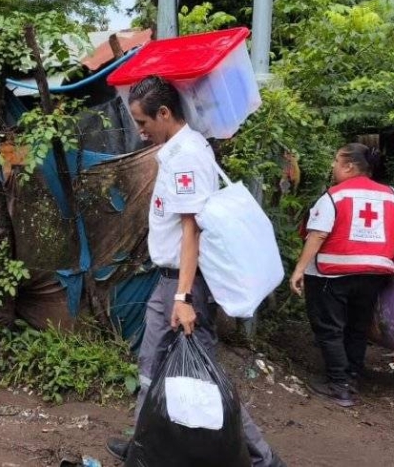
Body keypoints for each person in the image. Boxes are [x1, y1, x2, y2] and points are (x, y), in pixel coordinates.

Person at [106, 77, 285, 467]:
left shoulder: (186, 156)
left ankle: (263, 457)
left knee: (205, 374)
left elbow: (192, 229)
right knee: (152, 366)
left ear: (165, 113)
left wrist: (183, 298)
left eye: (142, 122)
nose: (139, 131)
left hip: (183, 283)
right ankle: (142, 444)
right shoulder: (179, 150)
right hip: (173, 281)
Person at [289, 143, 394, 408]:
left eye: (336, 161)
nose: (333, 166)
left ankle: (339, 386)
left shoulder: (335, 196)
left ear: (349, 166)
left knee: (329, 328)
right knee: (356, 327)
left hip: (332, 273)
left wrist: (299, 270)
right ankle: (352, 376)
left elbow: (317, 234)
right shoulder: (391, 195)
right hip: (374, 274)